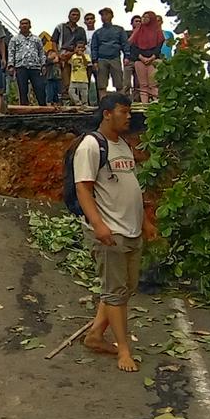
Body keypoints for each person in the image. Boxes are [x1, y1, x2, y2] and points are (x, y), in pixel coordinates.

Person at [75, 92, 152, 372]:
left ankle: (95, 335)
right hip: (111, 231)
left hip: (131, 229)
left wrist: (144, 223)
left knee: (125, 289)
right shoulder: (91, 146)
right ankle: (124, 351)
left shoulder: (124, 145)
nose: (128, 116)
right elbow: (83, 188)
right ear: (107, 114)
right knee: (116, 293)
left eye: (129, 111)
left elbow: (131, 187)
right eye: (123, 111)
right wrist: (99, 225)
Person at [91, 8, 129, 98]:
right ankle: (103, 104)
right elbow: (94, 47)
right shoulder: (97, 32)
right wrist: (94, 61)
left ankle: (121, 103)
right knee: (101, 85)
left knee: (119, 83)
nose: (104, 17)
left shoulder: (119, 30)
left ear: (111, 16)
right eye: (102, 15)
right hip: (101, 59)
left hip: (115, 57)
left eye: (106, 14)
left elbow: (125, 43)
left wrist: (127, 56)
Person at [7, 18, 46, 106]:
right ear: (19, 26)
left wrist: (43, 65)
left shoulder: (37, 39)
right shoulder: (14, 39)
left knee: (39, 88)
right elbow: (11, 52)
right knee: (22, 90)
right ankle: (24, 109)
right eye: (22, 24)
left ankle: (43, 108)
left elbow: (41, 52)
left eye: (26, 23)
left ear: (30, 26)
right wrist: (10, 66)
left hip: (35, 67)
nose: (24, 25)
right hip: (21, 67)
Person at [130, 11, 165, 103]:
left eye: (147, 17)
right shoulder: (138, 31)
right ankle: (144, 104)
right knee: (143, 85)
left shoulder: (158, 31)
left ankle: (155, 102)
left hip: (153, 60)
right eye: (143, 17)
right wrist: (141, 57)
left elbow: (159, 47)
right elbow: (133, 46)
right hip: (140, 60)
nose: (144, 19)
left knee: (153, 84)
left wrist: (151, 58)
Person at [53, 8, 86, 102]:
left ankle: (78, 102)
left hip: (76, 54)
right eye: (73, 14)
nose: (75, 17)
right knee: (64, 80)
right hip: (62, 53)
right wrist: (58, 54)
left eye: (77, 15)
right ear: (69, 16)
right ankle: (65, 101)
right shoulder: (60, 27)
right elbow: (54, 41)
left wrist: (73, 53)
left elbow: (82, 45)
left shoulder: (81, 30)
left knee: (77, 80)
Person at [68, 42, 92, 106]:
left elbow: (86, 64)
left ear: (84, 49)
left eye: (82, 48)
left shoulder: (87, 56)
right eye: (78, 47)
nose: (80, 49)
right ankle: (78, 102)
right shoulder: (73, 56)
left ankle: (85, 105)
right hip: (74, 78)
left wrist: (83, 55)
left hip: (83, 79)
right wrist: (74, 52)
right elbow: (68, 61)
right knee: (71, 92)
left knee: (84, 95)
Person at [125, 15, 142, 100]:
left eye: (140, 21)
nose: (138, 23)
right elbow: (128, 43)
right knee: (126, 83)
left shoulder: (144, 34)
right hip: (129, 60)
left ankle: (136, 100)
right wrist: (136, 31)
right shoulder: (127, 33)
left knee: (138, 83)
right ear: (132, 23)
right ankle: (126, 100)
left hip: (140, 61)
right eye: (136, 21)